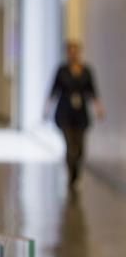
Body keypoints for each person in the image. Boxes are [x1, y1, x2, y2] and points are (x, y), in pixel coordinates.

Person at [45, 41, 105, 190]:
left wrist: (98, 108)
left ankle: (76, 173)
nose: (73, 54)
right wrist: (46, 109)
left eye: (75, 51)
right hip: (65, 112)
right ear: (67, 53)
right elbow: (53, 91)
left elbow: (92, 91)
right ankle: (71, 175)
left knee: (80, 148)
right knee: (70, 145)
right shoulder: (62, 70)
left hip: (81, 113)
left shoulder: (86, 71)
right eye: (70, 51)